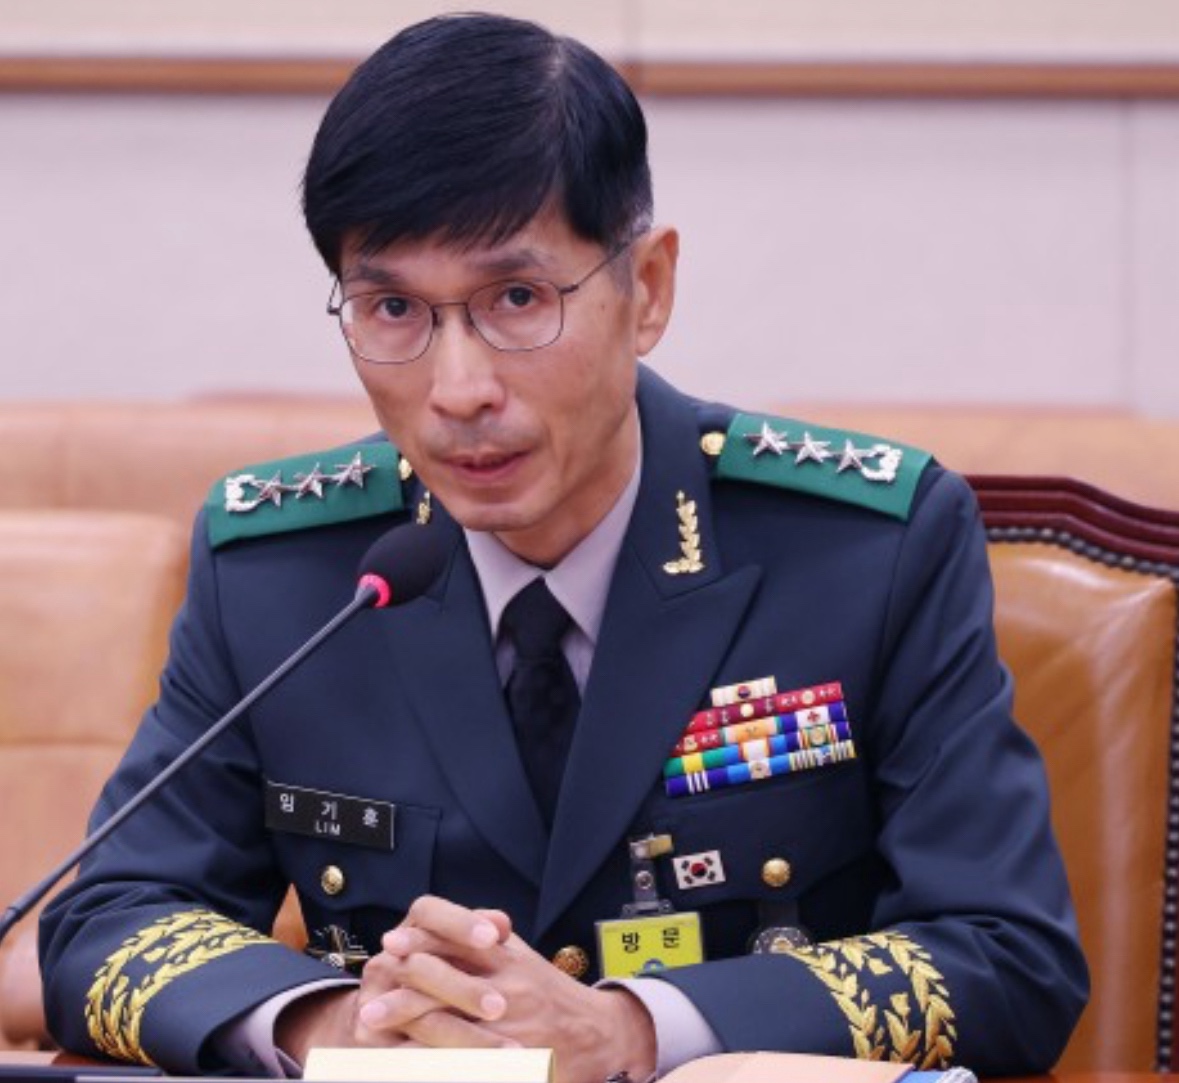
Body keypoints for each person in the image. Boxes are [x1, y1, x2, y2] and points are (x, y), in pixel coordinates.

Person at [39, 12, 1087, 1081]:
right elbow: (110, 918)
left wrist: (634, 1028)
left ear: (649, 290)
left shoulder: (865, 552)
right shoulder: (285, 572)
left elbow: (1009, 955)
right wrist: (329, 1024)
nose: (458, 390)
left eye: (518, 299)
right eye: (392, 307)